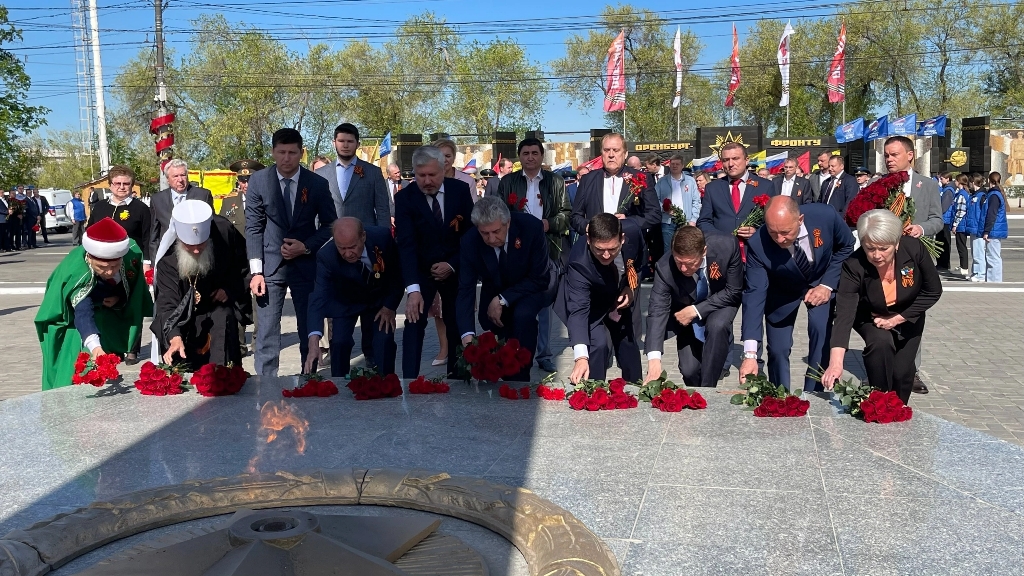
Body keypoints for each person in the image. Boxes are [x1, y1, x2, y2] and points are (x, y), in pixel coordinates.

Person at [821, 209, 942, 404]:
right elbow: (844, 314)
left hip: (909, 314)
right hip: (871, 317)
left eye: (883, 248)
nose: (876, 255)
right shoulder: (854, 265)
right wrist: (836, 363)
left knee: (902, 372)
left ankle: (898, 409)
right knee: (880, 345)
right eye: (870, 248)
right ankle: (878, 401)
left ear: (896, 243)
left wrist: (897, 319)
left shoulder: (913, 249)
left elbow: (933, 291)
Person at [738, 197, 855, 392]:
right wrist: (750, 355)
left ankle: (814, 393)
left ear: (800, 220)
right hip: (782, 291)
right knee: (778, 350)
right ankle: (780, 396)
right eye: (773, 232)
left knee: (820, 332)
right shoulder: (758, 243)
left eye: (786, 232)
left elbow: (847, 246)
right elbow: (754, 295)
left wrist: (827, 284)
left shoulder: (825, 216)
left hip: (820, 282)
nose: (779, 239)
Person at [245, 128, 337, 377]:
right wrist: (256, 272)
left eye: (292, 153)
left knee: (309, 329)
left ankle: (310, 380)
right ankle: (266, 386)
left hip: (306, 265)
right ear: (273, 152)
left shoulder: (316, 183)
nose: (286, 158)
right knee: (266, 332)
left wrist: (305, 246)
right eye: (281, 152)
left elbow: (330, 224)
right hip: (269, 267)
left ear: (301, 153)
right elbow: (253, 227)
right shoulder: (259, 181)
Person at [35, 218, 152, 390]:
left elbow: (134, 288)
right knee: (75, 360)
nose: (109, 271)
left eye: (115, 266)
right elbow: (83, 313)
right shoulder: (78, 273)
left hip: (107, 313)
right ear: (90, 258)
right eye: (102, 267)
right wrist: (95, 347)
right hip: (71, 320)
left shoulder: (130, 256)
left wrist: (119, 298)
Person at [492, 138, 571, 374]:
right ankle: (511, 349)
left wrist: (549, 223)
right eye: (525, 153)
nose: (530, 157)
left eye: (534, 153)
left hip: (547, 247)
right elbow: (499, 212)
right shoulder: (508, 182)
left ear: (541, 156)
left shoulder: (555, 182)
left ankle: (544, 353)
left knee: (543, 302)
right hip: (515, 248)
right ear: (519, 157)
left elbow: (566, 214)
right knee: (516, 299)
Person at [395, 145, 475, 377]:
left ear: (443, 169)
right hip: (422, 271)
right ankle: (409, 380)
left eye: (432, 174)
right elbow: (406, 245)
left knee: (456, 322)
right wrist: (413, 290)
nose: (427, 181)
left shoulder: (460, 191)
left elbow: (470, 235)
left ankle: (458, 379)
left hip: (454, 268)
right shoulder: (405, 198)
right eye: (421, 175)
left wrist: (452, 265)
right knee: (414, 321)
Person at [457, 197, 557, 381]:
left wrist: (502, 298)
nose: (491, 239)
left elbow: (539, 277)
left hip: (535, 282)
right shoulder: (470, 241)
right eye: (484, 233)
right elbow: (465, 289)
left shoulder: (531, 227)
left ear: (508, 222)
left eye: (496, 231)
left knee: (522, 316)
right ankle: (505, 370)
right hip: (497, 282)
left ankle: (521, 378)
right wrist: (467, 335)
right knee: (494, 322)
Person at [153, 200, 250, 370]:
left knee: (223, 319)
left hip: (217, 309)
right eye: (190, 246)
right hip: (182, 316)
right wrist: (174, 336)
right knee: (181, 358)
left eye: (202, 244)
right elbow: (167, 303)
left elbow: (243, 266)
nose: (197, 250)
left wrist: (229, 289)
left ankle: (222, 376)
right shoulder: (168, 262)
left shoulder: (224, 233)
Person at [303, 218, 402, 377]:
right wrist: (314, 340)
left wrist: (389, 306)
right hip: (345, 301)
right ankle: (339, 384)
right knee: (339, 343)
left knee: (384, 341)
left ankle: (386, 382)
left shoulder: (382, 238)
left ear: (363, 236)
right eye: (342, 248)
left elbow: (397, 274)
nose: (348, 253)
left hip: (379, 300)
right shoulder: (326, 256)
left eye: (352, 247)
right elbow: (318, 297)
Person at [645, 226, 742, 388]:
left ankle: (708, 390)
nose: (683, 268)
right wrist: (654, 360)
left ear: (704, 251)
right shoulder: (664, 267)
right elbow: (657, 310)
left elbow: (734, 291)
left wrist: (697, 310)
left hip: (721, 301)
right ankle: (698, 391)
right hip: (686, 310)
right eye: (679, 262)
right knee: (689, 370)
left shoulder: (727, 246)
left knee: (717, 326)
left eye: (690, 263)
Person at [883, 135, 943, 393]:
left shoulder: (927, 185)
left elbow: (937, 220)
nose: (889, 159)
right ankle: (882, 367)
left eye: (894, 154)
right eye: (886, 155)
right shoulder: (878, 185)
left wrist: (921, 228)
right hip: (884, 261)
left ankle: (910, 370)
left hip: (915, 259)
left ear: (910, 155)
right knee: (883, 310)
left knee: (912, 314)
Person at [556, 213, 645, 384]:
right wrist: (580, 357)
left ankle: (635, 388)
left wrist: (631, 287)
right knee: (598, 344)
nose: (606, 255)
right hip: (590, 303)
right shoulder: (578, 263)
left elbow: (639, 262)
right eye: (599, 249)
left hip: (619, 296)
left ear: (622, 238)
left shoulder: (633, 231)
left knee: (628, 344)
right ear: (589, 240)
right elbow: (579, 311)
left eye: (612, 249)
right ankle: (593, 390)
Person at [570, 133, 659, 238]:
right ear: (601, 153)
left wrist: (628, 222)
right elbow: (575, 217)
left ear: (625, 154)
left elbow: (655, 215)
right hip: (597, 243)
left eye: (616, 150)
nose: (611, 155)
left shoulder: (641, 178)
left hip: (629, 243)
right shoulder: (588, 179)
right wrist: (589, 227)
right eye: (606, 150)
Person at [696, 142, 773, 249]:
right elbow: (704, 221)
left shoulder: (766, 186)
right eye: (725, 160)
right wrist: (719, 238)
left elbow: (774, 220)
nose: (730, 164)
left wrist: (758, 232)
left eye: (735, 158)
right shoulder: (712, 188)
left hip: (754, 250)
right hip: (722, 250)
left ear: (747, 160)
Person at [315, 123, 391, 227]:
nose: (345, 145)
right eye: (341, 141)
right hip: (330, 235)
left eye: (350, 141)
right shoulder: (321, 173)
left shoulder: (373, 172)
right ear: (334, 143)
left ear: (357, 144)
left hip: (364, 234)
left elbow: (383, 210)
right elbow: (315, 212)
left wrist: (382, 235)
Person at [148, 159, 214, 270]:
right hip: (168, 260)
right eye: (175, 176)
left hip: (197, 258)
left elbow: (212, 227)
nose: (180, 180)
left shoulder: (203, 195)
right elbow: (154, 235)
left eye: (183, 175)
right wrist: (155, 264)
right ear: (168, 179)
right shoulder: (157, 200)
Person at [656, 153, 701, 251]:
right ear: (669, 165)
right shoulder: (662, 181)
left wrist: (693, 220)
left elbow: (696, 201)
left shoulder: (690, 181)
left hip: (686, 221)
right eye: (672, 164)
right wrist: (664, 208)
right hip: (668, 222)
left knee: (685, 249)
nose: (675, 166)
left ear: (682, 166)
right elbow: (655, 200)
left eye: (677, 164)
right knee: (668, 250)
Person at [221, 159, 265, 234]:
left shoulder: (266, 201)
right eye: (243, 181)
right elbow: (222, 228)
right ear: (238, 181)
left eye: (250, 181)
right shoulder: (228, 202)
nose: (246, 185)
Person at [980, 171, 1008, 283]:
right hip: (995, 229)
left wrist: (986, 231)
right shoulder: (995, 194)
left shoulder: (994, 195)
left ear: (989, 180)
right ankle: (993, 280)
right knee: (993, 256)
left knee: (993, 257)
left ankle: (994, 281)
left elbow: (991, 214)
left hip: (993, 230)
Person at [434, 138, 478, 203]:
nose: (444, 160)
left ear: (454, 157)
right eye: (440, 156)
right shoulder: (426, 180)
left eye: (447, 156)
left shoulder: (468, 181)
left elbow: (473, 207)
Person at [818, 155, 859, 220]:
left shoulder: (849, 180)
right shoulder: (826, 182)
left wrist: (841, 218)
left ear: (841, 166)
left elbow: (850, 201)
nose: (830, 169)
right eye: (829, 166)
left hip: (838, 218)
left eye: (833, 166)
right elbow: (820, 201)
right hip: (824, 218)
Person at [949, 173, 971, 277]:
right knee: (961, 246)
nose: (955, 182)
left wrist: (955, 224)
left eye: (956, 180)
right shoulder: (961, 193)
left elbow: (960, 211)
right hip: (961, 224)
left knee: (961, 246)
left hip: (961, 224)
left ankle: (964, 268)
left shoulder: (962, 195)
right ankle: (963, 266)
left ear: (960, 182)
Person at [935, 172, 956, 270]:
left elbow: (944, 206)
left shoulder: (948, 190)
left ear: (948, 179)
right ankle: (941, 263)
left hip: (945, 219)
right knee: (940, 241)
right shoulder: (945, 189)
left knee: (944, 241)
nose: (941, 180)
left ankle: (944, 263)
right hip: (943, 218)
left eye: (942, 178)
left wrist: (938, 213)